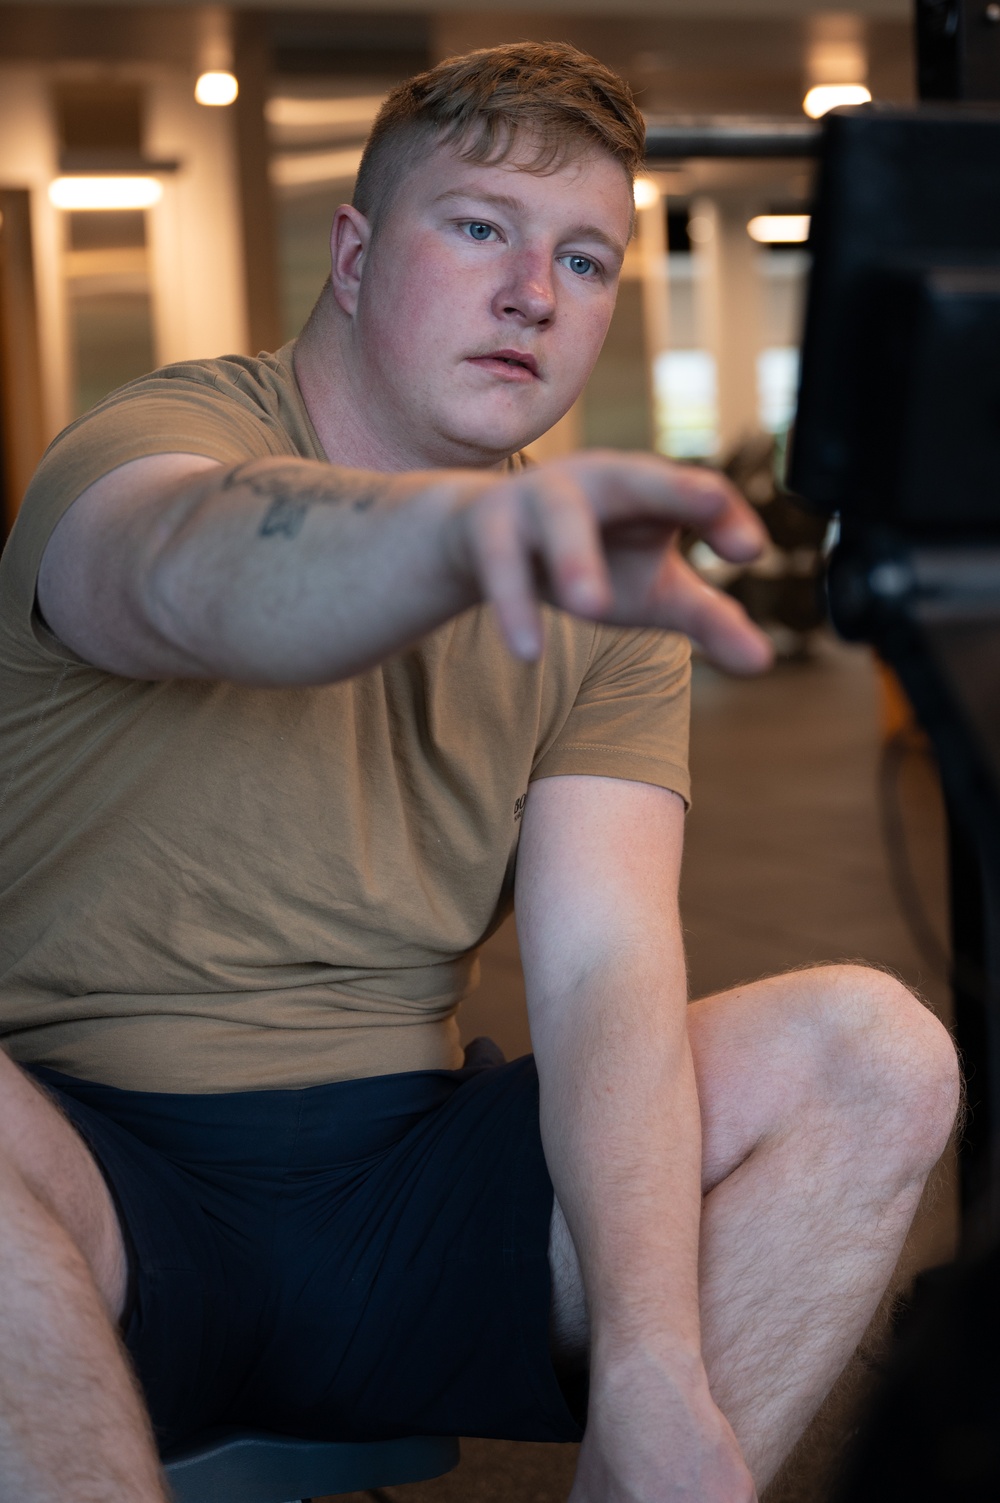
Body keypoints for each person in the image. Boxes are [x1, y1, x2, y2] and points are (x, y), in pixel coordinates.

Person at [0, 41, 958, 1503]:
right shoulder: (162, 440)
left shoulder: (597, 583)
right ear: (355, 252)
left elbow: (601, 969)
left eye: (585, 259)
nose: (536, 292)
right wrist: (452, 538)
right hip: (97, 1188)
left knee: (876, 1055)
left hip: (408, 1197)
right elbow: (192, 568)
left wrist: (652, 1364)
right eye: (481, 229)